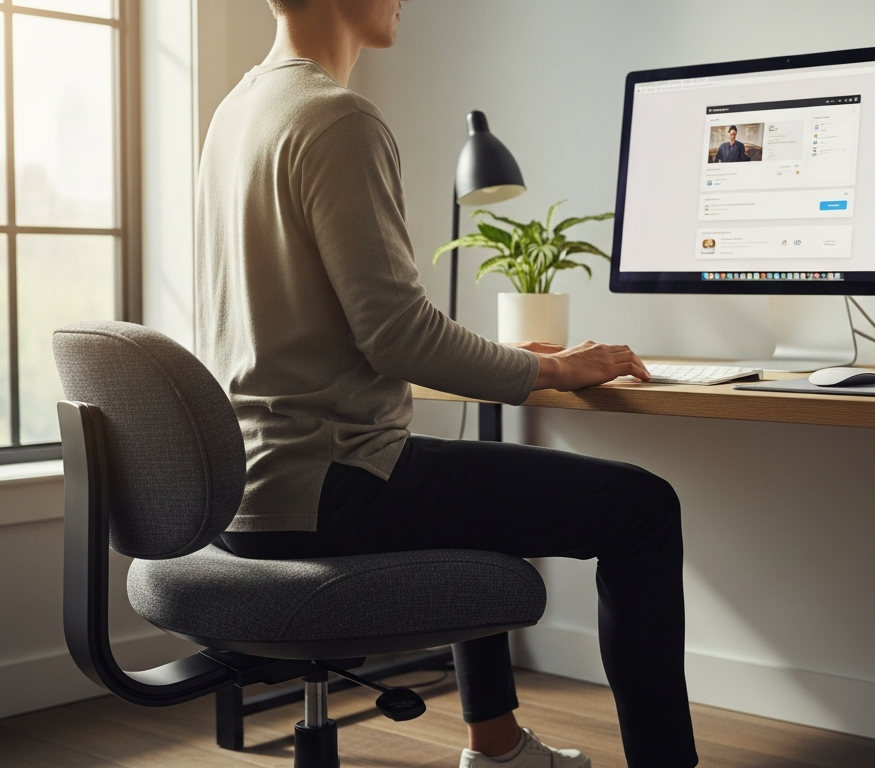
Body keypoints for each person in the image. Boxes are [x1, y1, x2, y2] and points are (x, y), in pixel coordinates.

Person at [192, 0, 698, 766]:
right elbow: (397, 335)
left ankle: (496, 747)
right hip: (331, 482)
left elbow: (327, 319)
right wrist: (557, 368)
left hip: (250, 489)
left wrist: (508, 357)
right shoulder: (338, 118)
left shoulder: (237, 112)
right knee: (644, 509)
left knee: (469, 489)